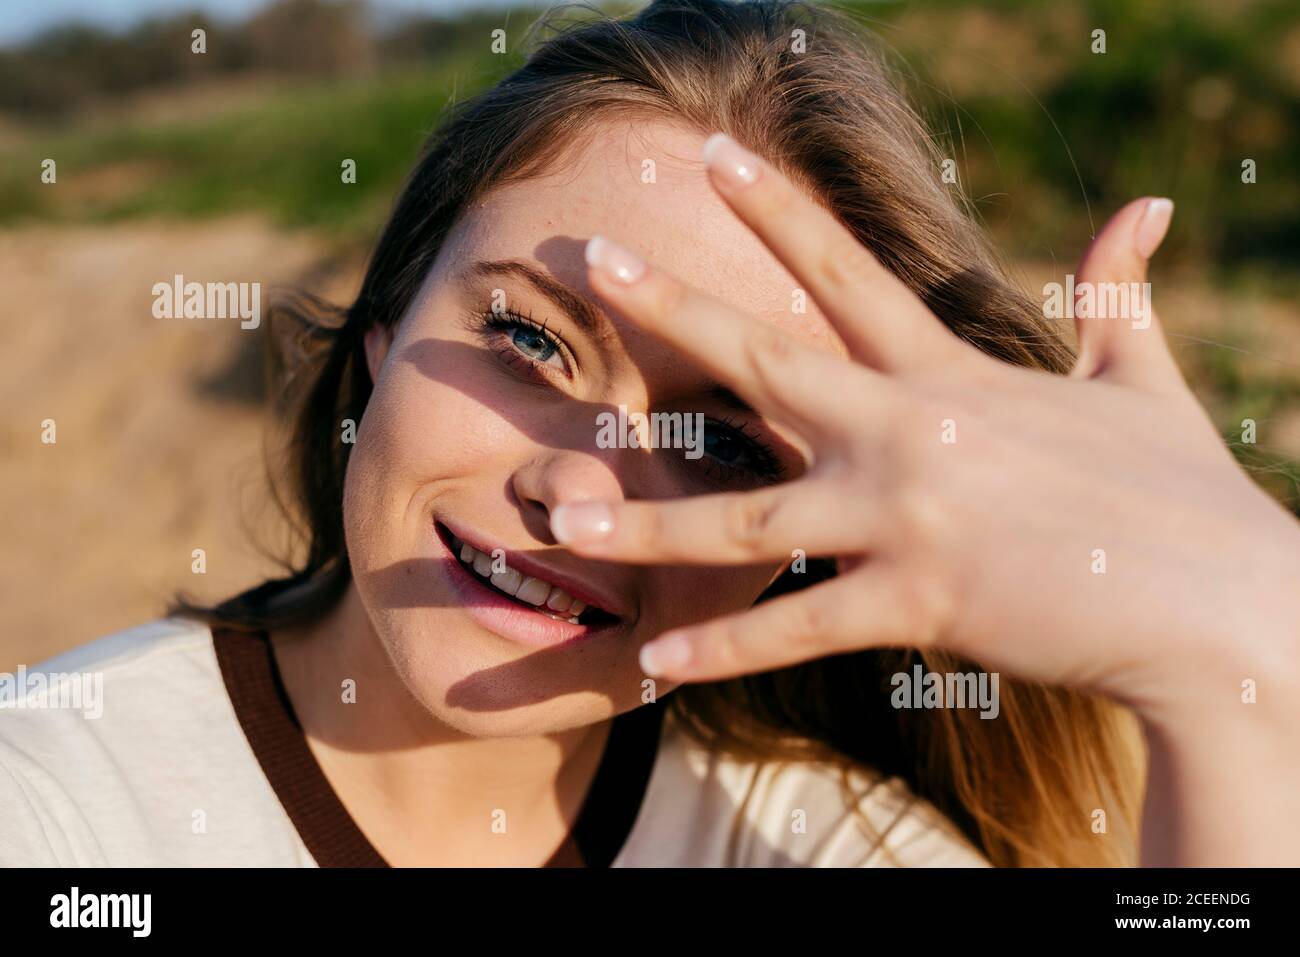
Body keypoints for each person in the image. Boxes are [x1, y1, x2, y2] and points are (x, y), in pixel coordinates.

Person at [2, 0, 1295, 868]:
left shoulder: (811, 842)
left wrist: (1235, 650)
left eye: (723, 440)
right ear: (385, 322)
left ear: (806, 537)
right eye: (529, 338)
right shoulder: (60, 802)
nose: (579, 490)